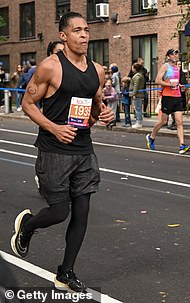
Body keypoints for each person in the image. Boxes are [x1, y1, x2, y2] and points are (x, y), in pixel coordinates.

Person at [10, 11, 114, 293]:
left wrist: (103, 114)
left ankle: (65, 272)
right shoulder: (50, 67)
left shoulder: (98, 70)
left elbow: (94, 104)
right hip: (54, 150)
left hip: (83, 149)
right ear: (64, 36)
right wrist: (53, 128)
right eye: (77, 30)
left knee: (82, 212)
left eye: (86, 30)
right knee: (59, 212)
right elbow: (29, 103)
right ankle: (28, 225)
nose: (84, 35)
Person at [146, 49, 190, 154]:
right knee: (163, 121)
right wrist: (169, 85)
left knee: (179, 122)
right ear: (168, 56)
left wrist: (181, 86)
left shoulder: (178, 68)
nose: (175, 56)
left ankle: (182, 145)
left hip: (178, 97)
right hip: (167, 97)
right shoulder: (165, 66)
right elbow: (158, 80)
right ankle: (151, 137)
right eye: (173, 54)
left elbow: (177, 82)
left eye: (176, 54)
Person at [167, 60, 187, 130]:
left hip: (180, 95)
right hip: (173, 93)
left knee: (177, 109)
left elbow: (184, 83)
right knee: (172, 109)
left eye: (180, 65)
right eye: (178, 65)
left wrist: (183, 87)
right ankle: (173, 122)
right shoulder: (173, 73)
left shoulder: (182, 74)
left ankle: (176, 123)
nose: (179, 66)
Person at [129, 63, 145, 128]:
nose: (132, 69)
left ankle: (139, 122)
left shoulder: (137, 76)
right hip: (138, 94)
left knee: (137, 108)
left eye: (132, 67)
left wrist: (133, 94)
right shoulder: (139, 75)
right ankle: (138, 121)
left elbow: (136, 86)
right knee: (138, 108)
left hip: (137, 95)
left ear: (135, 68)